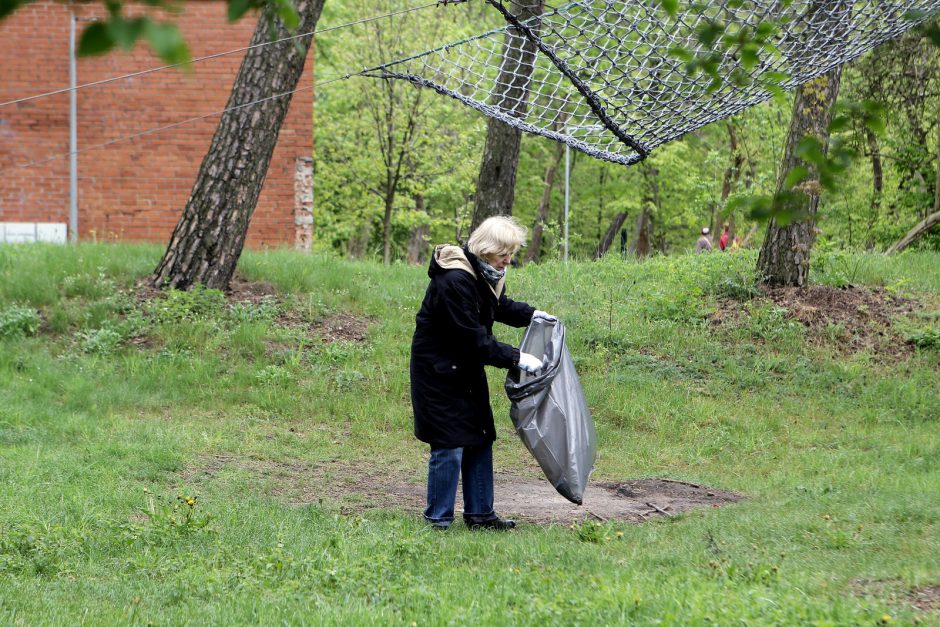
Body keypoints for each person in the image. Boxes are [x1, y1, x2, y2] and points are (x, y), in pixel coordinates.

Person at [410, 216, 555, 531]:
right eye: (504, 252)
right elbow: (472, 338)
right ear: (487, 248)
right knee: (448, 443)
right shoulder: (453, 281)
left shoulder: (484, 273)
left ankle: (481, 516)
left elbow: (498, 307)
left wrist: (533, 316)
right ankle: (438, 519)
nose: (508, 259)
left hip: (463, 367)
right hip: (437, 371)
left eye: (511, 253)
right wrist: (517, 358)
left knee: (479, 437)